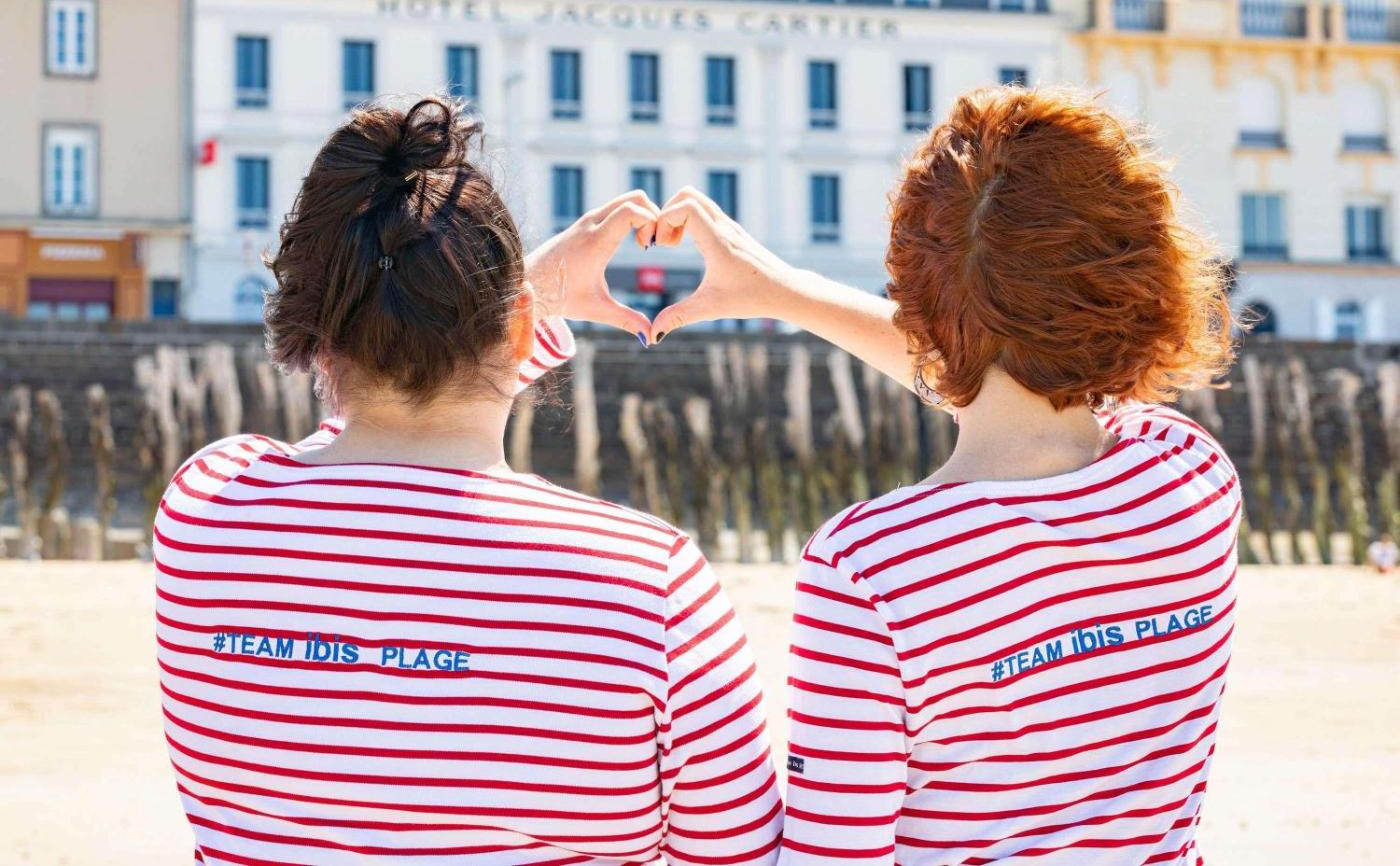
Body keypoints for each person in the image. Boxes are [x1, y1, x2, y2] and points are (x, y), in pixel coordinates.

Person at [153, 97, 782, 865]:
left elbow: (340, 453)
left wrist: (508, 299)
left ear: (316, 334)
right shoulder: (647, 584)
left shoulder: (205, 511)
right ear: (521, 328)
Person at [646, 85, 1242, 864]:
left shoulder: (872, 569)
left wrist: (789, 293)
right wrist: (784, 289)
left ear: (917, 300)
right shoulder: (1190, 475)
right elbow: (1031, 366)